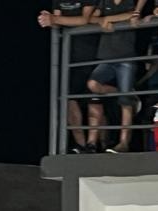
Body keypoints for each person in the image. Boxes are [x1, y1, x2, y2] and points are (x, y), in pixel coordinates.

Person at [39, 2, 101, 152]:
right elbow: (57, 22)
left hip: (93, 52)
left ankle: (93, 143)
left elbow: (84, 19)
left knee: (94, 98)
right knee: (70, 99)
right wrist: (48, 19)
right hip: (70, 55)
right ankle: (80, 144)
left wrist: (54, 19)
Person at [87, 0, 146, 154]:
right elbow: (91, 18)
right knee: (93, 84)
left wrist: (110, 19)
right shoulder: (105, 2)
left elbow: (133, 14)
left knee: (124, 102)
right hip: (107, 56)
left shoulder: (129, 2)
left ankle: (124, 142)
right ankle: (127, 93)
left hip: (125, 55)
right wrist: (102, 20)